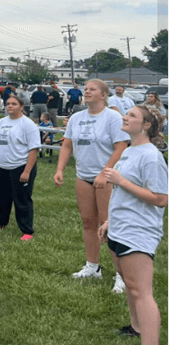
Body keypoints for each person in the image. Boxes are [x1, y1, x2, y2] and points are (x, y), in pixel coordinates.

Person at [98, 104, 168, 345]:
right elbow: (122, 194)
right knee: (130, 284)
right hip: (120, 227)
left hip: (138, 232)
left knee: (141, 291)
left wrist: (121, 181)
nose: (125, 118)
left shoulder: (151, 156)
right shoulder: (129, 150)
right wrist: (109, 222)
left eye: (132, 116)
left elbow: (160, 198)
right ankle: (136, 327)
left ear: (146, 125)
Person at [54, 79, 129, 292]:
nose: (87, 92)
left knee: (109, 224)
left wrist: (104, 173)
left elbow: (121, 147)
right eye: (85, 89)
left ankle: (121, 275)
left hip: (106, 178)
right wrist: (59, 169)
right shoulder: (77, 117)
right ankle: (93, 267)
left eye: (92, 89)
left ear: (104, 95)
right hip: (82, 176)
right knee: (88, 222)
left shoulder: (113, 117)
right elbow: (67, 144)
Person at [0, 94, 41, 240]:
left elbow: (34, 149)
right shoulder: (1, 123)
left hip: (20, 166)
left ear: (21, 107)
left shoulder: (28, 124)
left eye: (14, 104)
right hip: (1, 165)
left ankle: (27, 230)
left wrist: (27, 171)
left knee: (22, 200)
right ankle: (1, 222)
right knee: (2, 197)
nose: (10, 106)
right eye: (8, 104)